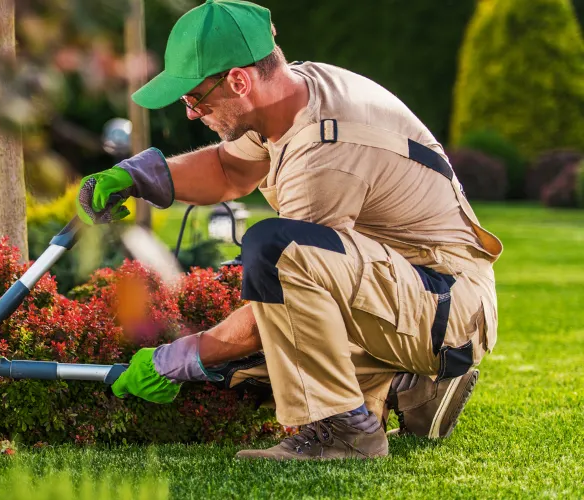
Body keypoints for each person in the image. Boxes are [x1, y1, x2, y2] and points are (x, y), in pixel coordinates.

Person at [78, 0, 503, 460]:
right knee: (259, 361)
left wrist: (176, 360)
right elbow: (229, 170)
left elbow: (282, 285)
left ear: (239, 80)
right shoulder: (293, 94)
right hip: (418, 288)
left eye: (194, 98)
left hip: (447, 308)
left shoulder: (325, 150)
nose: (191, 114)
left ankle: (347, 431)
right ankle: (412, 387)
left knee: (271, 261)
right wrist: (140, 177)